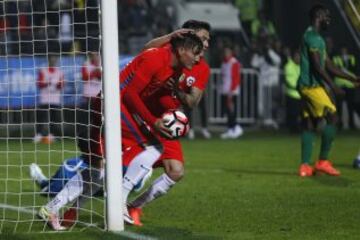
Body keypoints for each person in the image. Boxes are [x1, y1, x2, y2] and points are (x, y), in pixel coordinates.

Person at [37, 32, 203, 230]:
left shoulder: (175, 68)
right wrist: (153, 121)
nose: (199, 58)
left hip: (114, 104)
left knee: (99, 167)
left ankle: (53, 208)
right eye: (196, 53)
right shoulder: (156, 57)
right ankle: (120, 201)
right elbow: (131, 94)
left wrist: (177, 117)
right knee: (152, 147)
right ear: (182, 49)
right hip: (114, 103)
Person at [127, 20, 211, 226]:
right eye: (203, 38)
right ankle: (76, 205)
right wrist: (170, 35)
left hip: (166, 124)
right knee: (117, 163)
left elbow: (193, 102)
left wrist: (177, 90)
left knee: (176, 171)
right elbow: (146, 49)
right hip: (142, 115)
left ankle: (134, 206)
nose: (207, 44)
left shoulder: (202, 68)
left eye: (208, 40)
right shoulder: (168, 52)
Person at [297, 4, 360, 177]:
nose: (328, 20)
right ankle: (323, 161)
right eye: (327, 16)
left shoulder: (315, 37)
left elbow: (328, 64)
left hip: (306, 86)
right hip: (311, 86)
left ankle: (304, 166)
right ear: (318, 16)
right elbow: (318, 66)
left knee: (309, 123)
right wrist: (333, 86)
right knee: (333, 116)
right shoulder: (313, 37)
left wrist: (351, 78)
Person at [33, 54, 64, 144]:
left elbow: (61, 85)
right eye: (52, 59)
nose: (53, 61)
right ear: (49, 60)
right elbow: (40, 84)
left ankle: (52, 135)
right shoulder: (43, 71)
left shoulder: (59, 72)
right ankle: (38, 135)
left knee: (53, 118)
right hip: (44, 98)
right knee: (41, 118)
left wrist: (54, 84)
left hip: (55, 99)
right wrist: (50, 83)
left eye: (55, 59)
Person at [77, 52, 102, 143]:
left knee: (98, 118)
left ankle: (98, 136)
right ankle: (84, 136)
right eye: (94, 55)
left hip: (99, 97)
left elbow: (102, 77)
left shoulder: (102, 64)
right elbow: (85, 77)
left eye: (97, 55)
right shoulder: (86, 65)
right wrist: (95, 72)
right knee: (86, 118)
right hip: (88, 96)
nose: (96, 57)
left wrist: (96, 72)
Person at [220, 46, 243, 139]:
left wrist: (231, 91)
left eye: (228, 52)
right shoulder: (224, 63)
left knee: (231, 111)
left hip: (232, 91)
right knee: (228, 111)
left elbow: (236, 78)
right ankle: (230, 129)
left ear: (231, 53)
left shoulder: (234, 62)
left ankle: (236, 127)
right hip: (226, 90)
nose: (226, 54)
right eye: (225, 52)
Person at [332, 47, 358, 129]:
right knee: (339, 106)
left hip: (350, 85)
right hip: (340, 85)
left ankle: (351, 123)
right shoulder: (336, 58)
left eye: (345, 50)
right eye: (342, 50)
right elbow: (335, 69)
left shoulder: (352, 57)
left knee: (351, 105)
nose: (343, 51)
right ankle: (339, 124)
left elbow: (354, 69)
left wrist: (343, 69)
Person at [284, 49, 301, 133]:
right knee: (293, 114)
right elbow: (289, 81)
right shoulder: (288, 66)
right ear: (294, 57)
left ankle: (298, 129)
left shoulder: (302, 66)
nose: (299, 58)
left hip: (301, 94)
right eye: (297, 56)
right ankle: (293, 130)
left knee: (300, 114)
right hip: (292, 94)